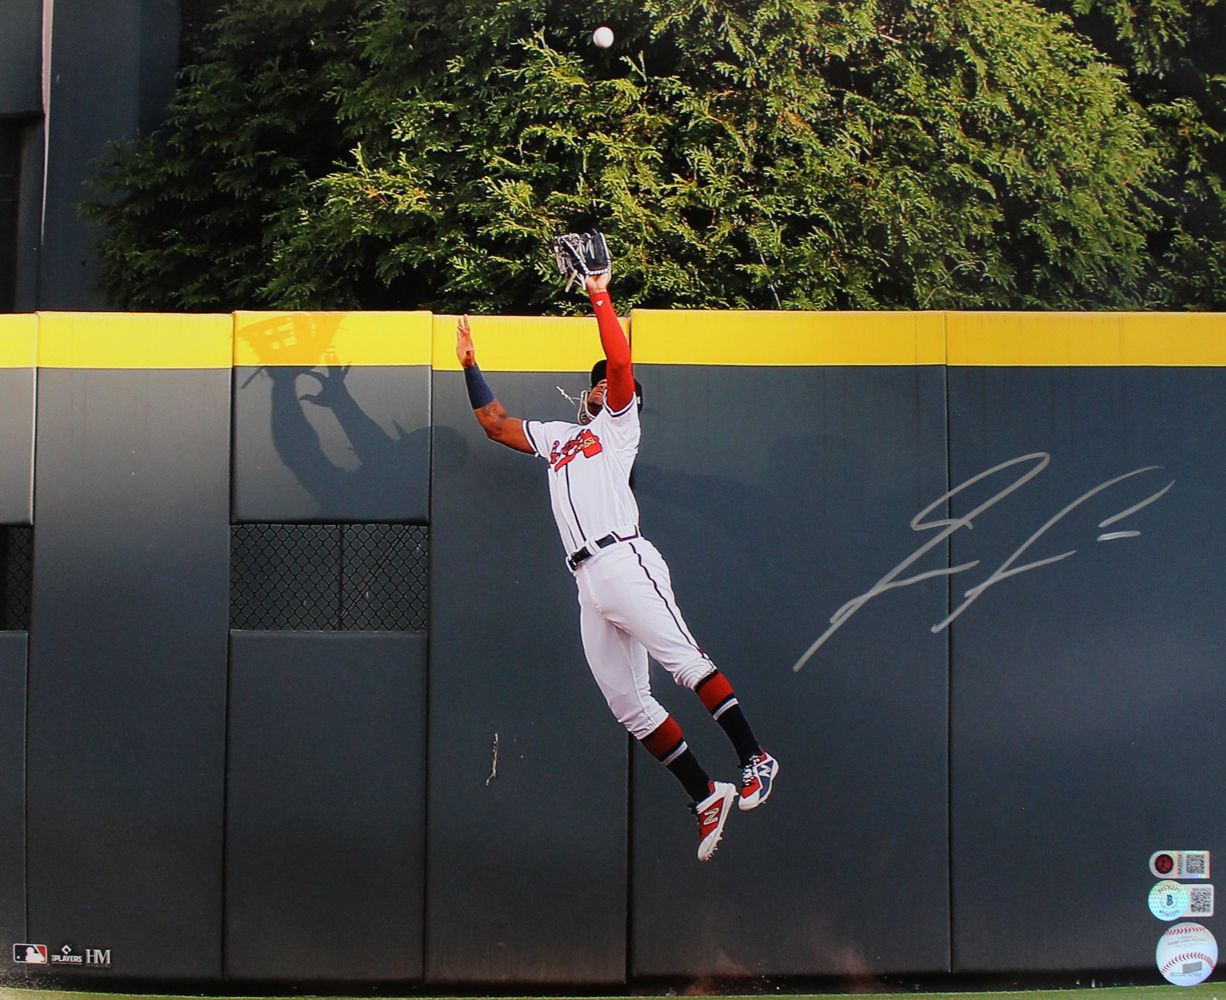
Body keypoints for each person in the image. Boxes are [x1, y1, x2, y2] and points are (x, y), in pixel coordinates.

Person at [456, 273, 778, 861]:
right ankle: (706, 794)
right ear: (588, 391)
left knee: (685, 664)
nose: (608, 383)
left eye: (614, 381)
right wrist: (471, 365)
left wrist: (598, 294)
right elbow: (495, 424)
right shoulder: (557, 436)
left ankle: (755, 757)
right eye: (600, 380)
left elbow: (622, 362)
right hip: (587, 580)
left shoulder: (619, 428)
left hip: (623, 557)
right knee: (629, 706)